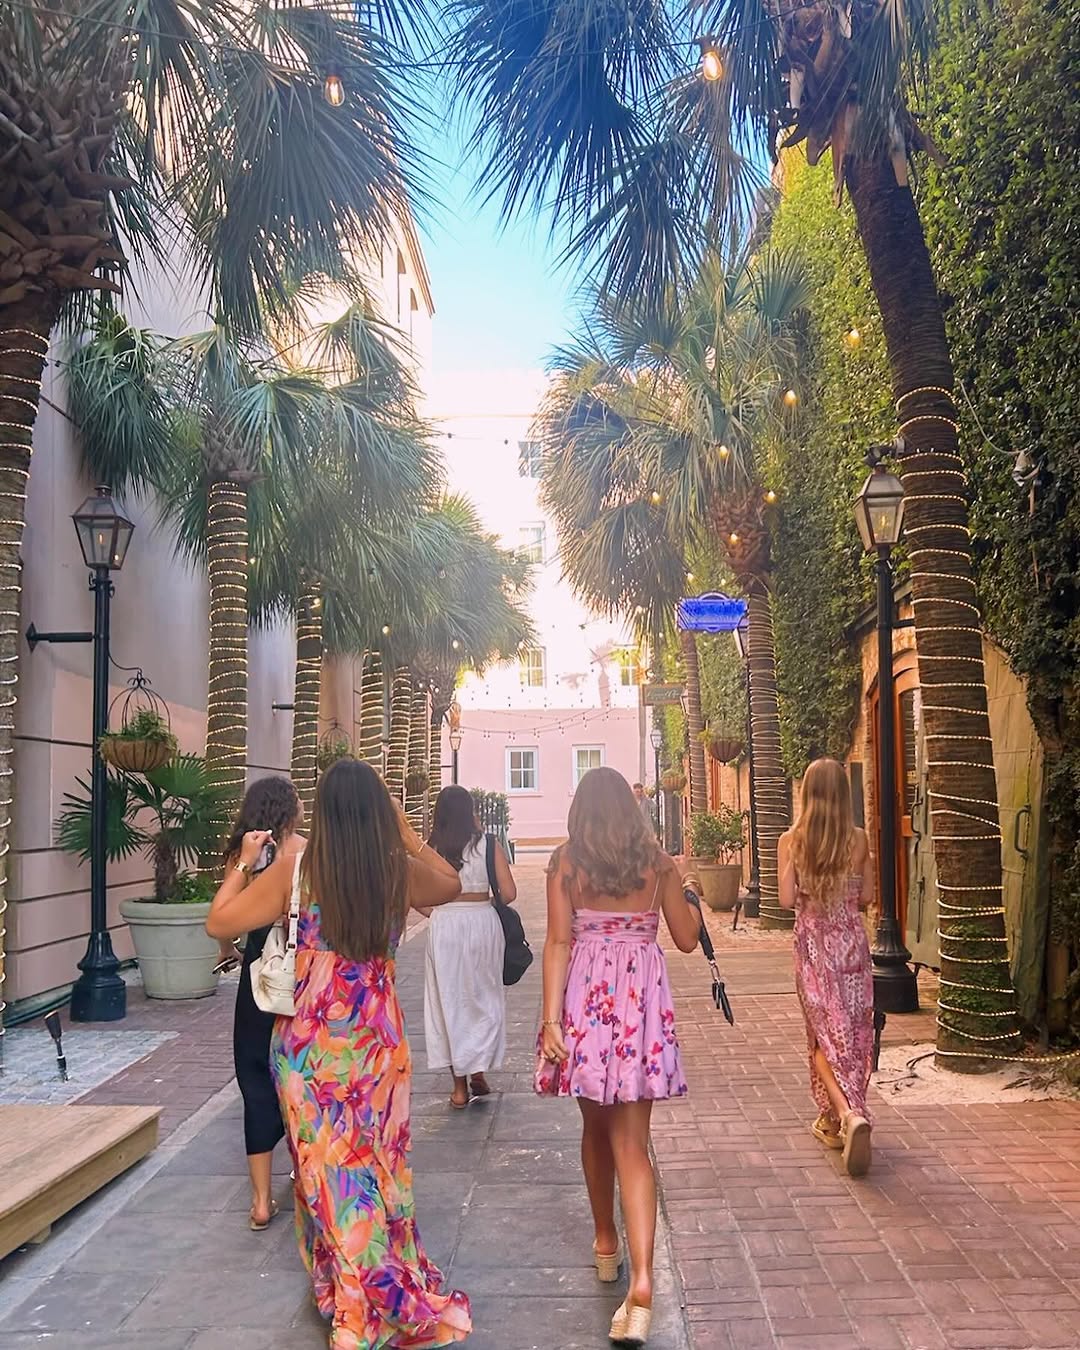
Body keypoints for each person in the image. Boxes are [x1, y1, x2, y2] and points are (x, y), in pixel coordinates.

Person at [206, 758, 472, 1348]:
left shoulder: (296, 871)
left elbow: (218, 922)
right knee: (376, 1167)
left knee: (324, 1173)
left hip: (309, 1050)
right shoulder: (395, 871)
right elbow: (450, 883)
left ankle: (353, 1304)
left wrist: (243, 863)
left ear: (322, 812)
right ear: (378, 812)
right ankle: (359, 1291)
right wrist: (406, 833)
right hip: (376, 1047)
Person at [536, 767, 701, 1348]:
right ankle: (644, 1279)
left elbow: (558, 942)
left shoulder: (566, 863)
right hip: (639, 1008)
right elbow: (686, 938)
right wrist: (690, 895)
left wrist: (551, 1020)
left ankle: (606, 1241)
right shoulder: (659, 865)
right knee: (633, 1145)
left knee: (594, 1129)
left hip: (587, 1003)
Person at [778, 757, 876, 1178]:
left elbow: (786, 900)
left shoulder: (792, 841)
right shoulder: (858, 839)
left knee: (823, 1036)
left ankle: (847, 1113)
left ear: (806, 793)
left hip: (814, 950)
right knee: (852, 1034)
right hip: (852, 946)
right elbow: (867, 897)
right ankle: (838, 1117)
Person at [222, 776, 305, 1232]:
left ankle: (259, 1201)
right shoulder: (306, 851)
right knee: (297, 1074)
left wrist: (228, 952)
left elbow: (223, 919)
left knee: (255, 1078)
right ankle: (301, 1173)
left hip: (258, 977)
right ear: (290, 809)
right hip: (299, 975)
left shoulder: (245, 857)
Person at [425, 784, 516, 1109]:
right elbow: (509, 892)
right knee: (483, 997)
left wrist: (438, 913)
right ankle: (478, 1070)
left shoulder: (432, 848)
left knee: (450, 1001)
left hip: (445, 925)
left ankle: (459, 1088)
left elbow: (413, 893)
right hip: (482, 921)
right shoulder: (488, 844)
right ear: (470, 811)